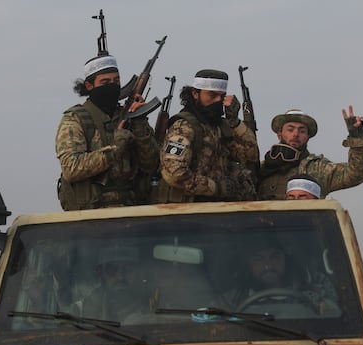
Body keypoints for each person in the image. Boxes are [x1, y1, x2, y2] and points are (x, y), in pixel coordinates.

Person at [55, 53, 160, 210]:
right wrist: (114, 150)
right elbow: (71, 168)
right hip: (93, 213)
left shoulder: (128, 116)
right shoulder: (75, 119)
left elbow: (151, 163)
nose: (112, 86)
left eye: (116, 81)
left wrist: (139, 122)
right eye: (105, 82)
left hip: (132, 208)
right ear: (90, 86)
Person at [154, 69, 259, 203]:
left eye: (221, 96)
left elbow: (251, 155)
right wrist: (215, 188)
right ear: (195, 94)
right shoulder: (185, 126)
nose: (217, 100)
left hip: (214, 208)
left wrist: (235, 121)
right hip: (185, 209)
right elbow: (174, 172)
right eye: (212, 95)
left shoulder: (219, 126)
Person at [258, 106, 363, 200]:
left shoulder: (318, 168)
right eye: (290, 129)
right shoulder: (261, 169)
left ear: (307, 137)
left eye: (302, 131)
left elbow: (355, 175)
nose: (296, 134)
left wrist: (357, 138)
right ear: (280, 134)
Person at [82, 245, 148, 321]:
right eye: (112, 269)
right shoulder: (82, 310)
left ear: (138, 273)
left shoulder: (153, 305)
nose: (120, 277)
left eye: (128, 269)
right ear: (102, 274)